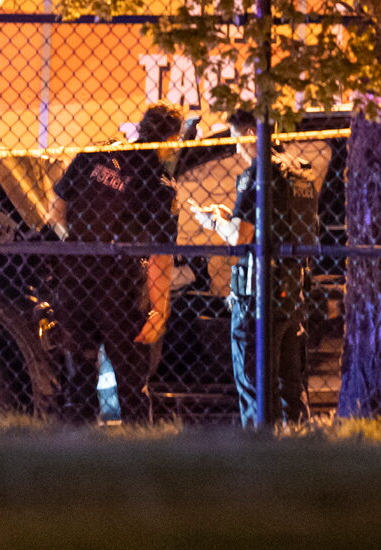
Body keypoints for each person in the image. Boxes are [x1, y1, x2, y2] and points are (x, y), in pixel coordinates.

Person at [52, 101, 183, 424]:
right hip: (122, 290)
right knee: (132, 384)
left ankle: (72, 453)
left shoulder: (94, 155)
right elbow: (159, 256)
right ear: (171, 141)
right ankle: (137, 455)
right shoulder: (160, 184)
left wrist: (80, 244)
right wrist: (159, 309)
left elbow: (56, 209)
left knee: (79, 379)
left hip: (75, 282)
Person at [189, 110, 319, 428]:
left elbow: (242, 236)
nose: (236, 150)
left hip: (257, 293)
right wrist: (228, 215)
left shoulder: (257, 173)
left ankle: (259, 454)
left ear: (249, 134)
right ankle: (299, 448)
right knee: (291, 384)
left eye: (236, 140)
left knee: (253, 383)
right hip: (292, 290)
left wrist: (212, 221)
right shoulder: (298, 170)